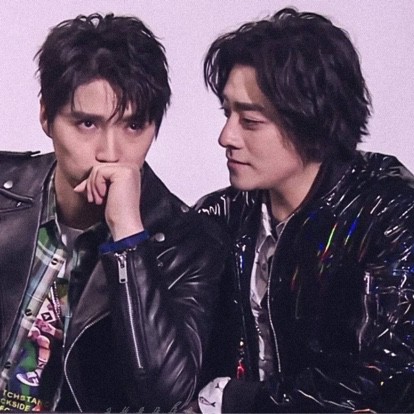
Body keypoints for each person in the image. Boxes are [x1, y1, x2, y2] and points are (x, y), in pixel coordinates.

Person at [0, 13, 227, 412]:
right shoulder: (5, 195)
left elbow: (165, 398)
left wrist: (128, 236)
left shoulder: (190, 243)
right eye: (87, 124)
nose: (110, 153)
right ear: (46, 117)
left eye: (133, 126)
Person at [195, 7, 414, 413]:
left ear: (311, 120)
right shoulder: (221, 216)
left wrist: (232, 399)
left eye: (250, 120)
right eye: (227, 113)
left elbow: (387, 378)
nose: (226, 136)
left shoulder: (389, 212)